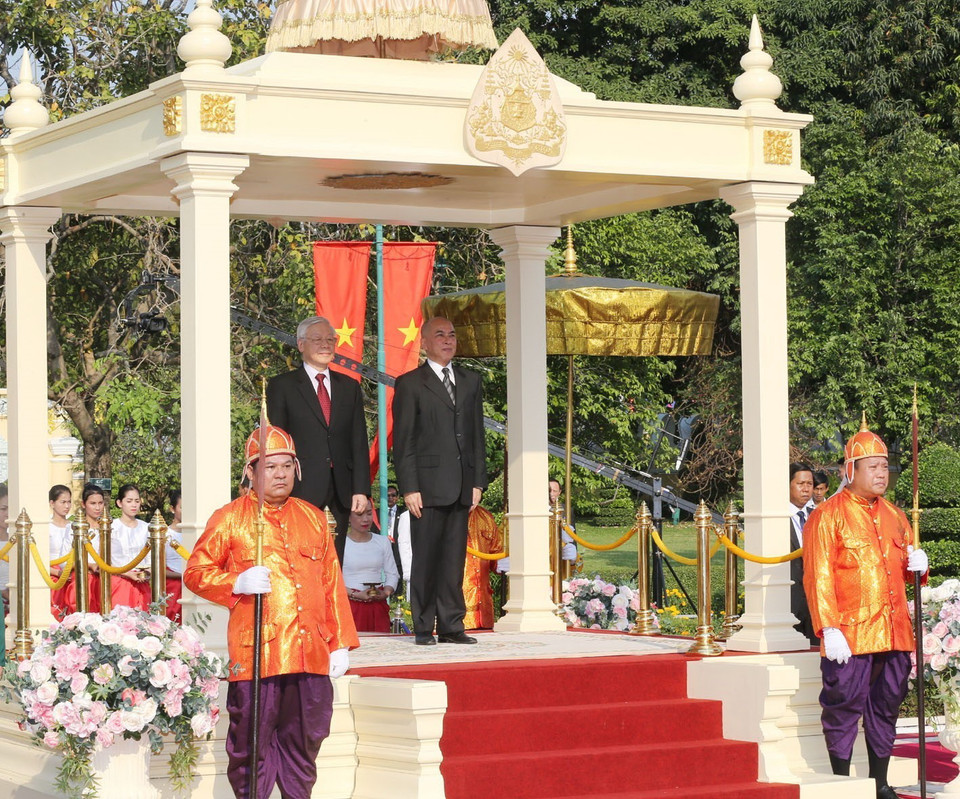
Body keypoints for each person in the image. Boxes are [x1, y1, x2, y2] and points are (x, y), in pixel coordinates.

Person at [183, 423, 359, 799]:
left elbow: (331, 582)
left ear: (296, 469)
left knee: (307, 739)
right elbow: (195, 572)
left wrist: (340, 642)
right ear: (250, 471)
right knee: (250, 743)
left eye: (286, 466)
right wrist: (235, 582)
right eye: (270, 466)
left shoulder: (313, 517)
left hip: (310, 652)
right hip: (256, 655)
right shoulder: (229, 517)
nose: (280, 474)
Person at [803, 420, 929, 799]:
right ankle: (841, 784)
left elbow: (908, 575)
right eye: (872, 466)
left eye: (884, 466)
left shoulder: (895, 515)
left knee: (886, 705)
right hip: (851, 632)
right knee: (843, 707)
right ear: (850, 471)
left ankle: (880, 782)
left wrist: (919, 569)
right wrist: (829, 628)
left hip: (893, 631)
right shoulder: (827, 515)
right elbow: (817, 576)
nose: (881, 473)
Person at [392, 316, 487, 646]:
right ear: (425, 342)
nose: (448, 340)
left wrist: (477, 481)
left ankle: (451, 625)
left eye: (451, 335)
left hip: (461, 485)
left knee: (453, 560)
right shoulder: (411, 383)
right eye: (440, 335)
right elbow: (403, 441)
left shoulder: (470, 381)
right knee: (426, 559)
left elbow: (477, 435)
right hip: (426, 487)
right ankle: (423, 625)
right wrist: (409, 487)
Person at [266, 315, 371, 564]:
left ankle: (332, 603)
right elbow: (277, 441)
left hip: (343, 488)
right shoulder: (282, 386)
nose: (325, 345)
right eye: (317, 339)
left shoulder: (349, 387)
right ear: (301, 345)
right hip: (301, 487)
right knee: (301, 556)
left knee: (335, 559)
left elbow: (358, 441)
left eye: (330, 340)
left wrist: (361, 490)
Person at [342, 497, 399, 632]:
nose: (366, 519)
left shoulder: (382, 541)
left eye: (369, 513)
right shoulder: (339, 543)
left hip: (377, 604)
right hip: (349, 605)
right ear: (349, 517)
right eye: (360, 515)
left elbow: (393, 573)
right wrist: (354, 594)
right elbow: (330, 579)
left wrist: (386, 592)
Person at [788, 462, 817, 645]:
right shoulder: (774, 517)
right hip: (789, 600)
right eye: (801, 484)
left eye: (810, 484)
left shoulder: (818, 515)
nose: (806, 489)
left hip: (815, 600)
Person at [109, 484, 151, 610]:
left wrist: (148, 571)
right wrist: (127, 573)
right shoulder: (112, 527)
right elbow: (105, 560)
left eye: (137, 501)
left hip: (143, 581)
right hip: (119, 581)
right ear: (119, 503)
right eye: (129, 501)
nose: (134, 505)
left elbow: (150, 556)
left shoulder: (146, 527)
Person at [462, 505, 502, 630]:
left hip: (484, 612)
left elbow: (496, 553)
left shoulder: (485, 517)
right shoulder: (446, 517)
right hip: (458, 613)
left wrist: (504, 563)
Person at [49, 485, 74, 619]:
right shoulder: (47, 527)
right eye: (63, 502)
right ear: (52, 503)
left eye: (69, 502)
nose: (67, 506)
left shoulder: (73, 526)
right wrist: (58, 573)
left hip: (71, 573)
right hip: (52, 575)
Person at [164, 488, 184, 623]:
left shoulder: (199, 533)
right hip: (173, 587)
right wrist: (181, 575)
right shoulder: (165, 535)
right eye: (182, 507)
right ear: (172, 509)